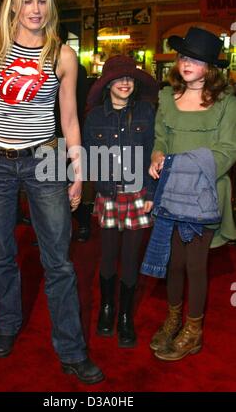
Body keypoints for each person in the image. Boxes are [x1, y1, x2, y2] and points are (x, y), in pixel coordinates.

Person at [0, 0, 104, 384]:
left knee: (59, 261)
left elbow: (70, 120)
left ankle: (72, 351)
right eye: (28, 1)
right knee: (1, 254)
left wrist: (78, 173)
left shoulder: (62, 54)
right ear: (15, 5)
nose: (35, 10)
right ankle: (7, 324)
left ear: (49, 6)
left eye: (42, 1)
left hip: (45, 160)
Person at [146, 26, 236, 361]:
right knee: (175, 264)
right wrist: (157, 155)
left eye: (196, 59)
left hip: (206, 194)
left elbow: (228, 152)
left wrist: (184, 168)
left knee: (196, 265)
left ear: (210, 67)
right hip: (172, 194)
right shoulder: (167, 97)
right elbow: (161, 139)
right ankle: (173, 320)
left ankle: (193, 330)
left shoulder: (227, 102)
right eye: (184, 56)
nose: (187, 62)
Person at [83, 55, 158, 347]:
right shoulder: (94, 116)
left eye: (130, 78)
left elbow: (154, 154)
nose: (125, 83)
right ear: (107, 84)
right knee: (107, 256)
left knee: (130, 259)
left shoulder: (145, 112)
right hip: (109, 194)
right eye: (119, 78)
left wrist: (151, 193)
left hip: (139, 194)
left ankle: (125, 315)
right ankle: (107, 308)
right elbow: (89, 157)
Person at [54, 23, 91, 242]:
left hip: (67, 134)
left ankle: (82, 223)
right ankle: (54, 230)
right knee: (52, 185)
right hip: (50, 136)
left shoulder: (74, 66)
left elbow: (75, 107)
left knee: (70, 184)